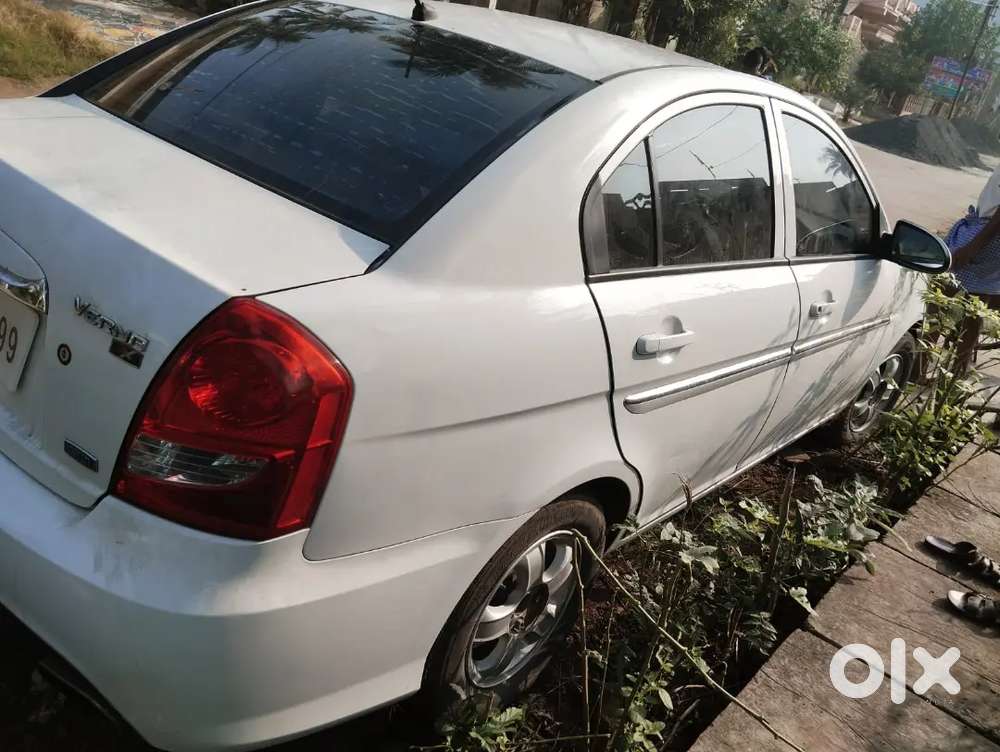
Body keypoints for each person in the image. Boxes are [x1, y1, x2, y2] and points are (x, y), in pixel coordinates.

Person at [942, 167, 1000, 371]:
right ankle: (955, 373)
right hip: (983, 231)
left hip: (987, 235)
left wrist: (972, 247)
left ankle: (945, 374)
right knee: (973, 308)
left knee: (943, 294)